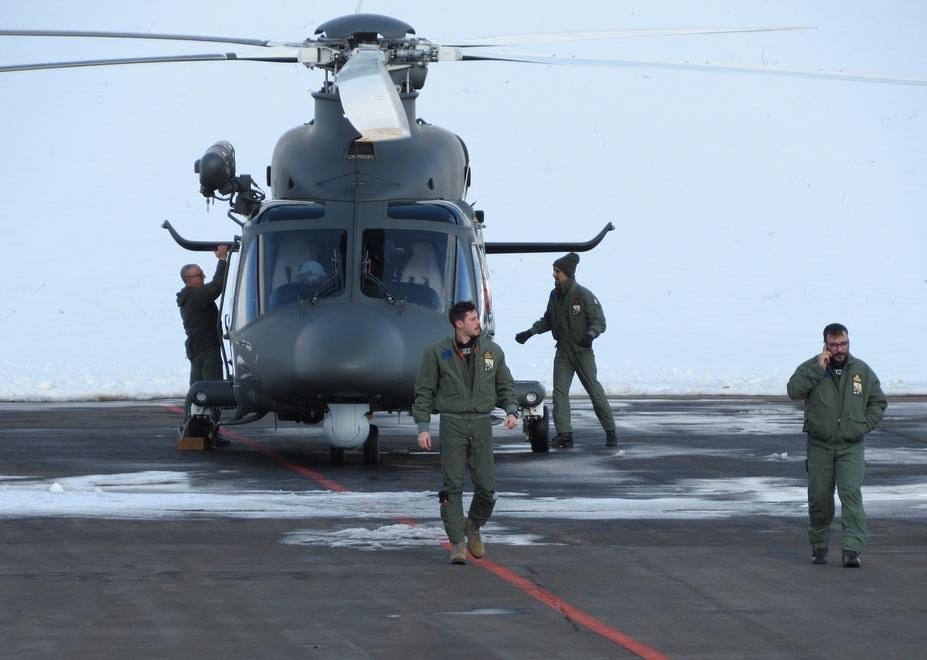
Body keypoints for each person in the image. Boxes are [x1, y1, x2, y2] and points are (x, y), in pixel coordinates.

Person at [413, 301, 519, 565]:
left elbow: (505, 384)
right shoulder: (436, 353)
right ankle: (458, 543)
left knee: (486, 487)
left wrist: (511, 411)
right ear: (458, 323)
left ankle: (473, 524)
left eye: (476, 318)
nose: (477, 323)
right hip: (452, 424)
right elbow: (424, 392)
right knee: (452, 487)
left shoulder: (492, 352)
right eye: (472, 319)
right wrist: (423, 427)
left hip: (482, 423)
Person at [787, 323, 886, 568]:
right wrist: (816, 369)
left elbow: (878, 402)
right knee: (820, 498)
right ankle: (819, 545)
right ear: (825, 345)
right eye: (834, 345)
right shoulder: (812, 368)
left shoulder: (861, 371)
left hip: (851, 446)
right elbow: (793, 391)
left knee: (850, 494)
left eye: (843, 343)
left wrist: (862, 425)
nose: (840, 349)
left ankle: (852, 549)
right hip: (820, 445)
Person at [514, 252, 617, 448]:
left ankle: (610, 431)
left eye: (557, 271)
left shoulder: (583, 295)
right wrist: (530, 332)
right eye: (554, 270)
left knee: (594, 390)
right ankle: (564, 434)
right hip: (563, 351)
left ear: (567, 273)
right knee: (560, 392)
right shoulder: (554, 295)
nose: (554, 275)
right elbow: (548, 320)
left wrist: (590, 335)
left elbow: (599, 322)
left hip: (582, 351)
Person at [176, 245, 229, 389]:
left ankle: (193, 412)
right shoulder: (195, 297)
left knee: (197, 390)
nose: (204, 276)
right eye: (200, 275)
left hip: (197, 350)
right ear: (189, 279)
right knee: (214, 392)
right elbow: (217, 285)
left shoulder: (188, 298)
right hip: (207, 351)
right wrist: (223, 259)